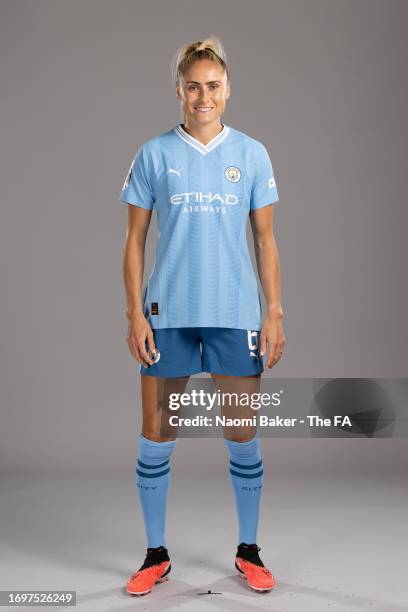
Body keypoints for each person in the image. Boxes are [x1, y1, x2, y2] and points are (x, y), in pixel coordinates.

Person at [118, 36, 285, 596]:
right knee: (155, 440)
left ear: (227, 89)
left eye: (213, 85)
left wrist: (275, 312)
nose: (203, 95)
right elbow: (134, 242)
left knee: (243, 439)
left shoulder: (252, 154)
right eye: (193, 86)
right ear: (179, 91)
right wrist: (135, 313)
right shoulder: (153, 154)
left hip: (236, 316)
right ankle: (155, 555)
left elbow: (265, 241)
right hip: (167, 318)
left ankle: (249, 550)